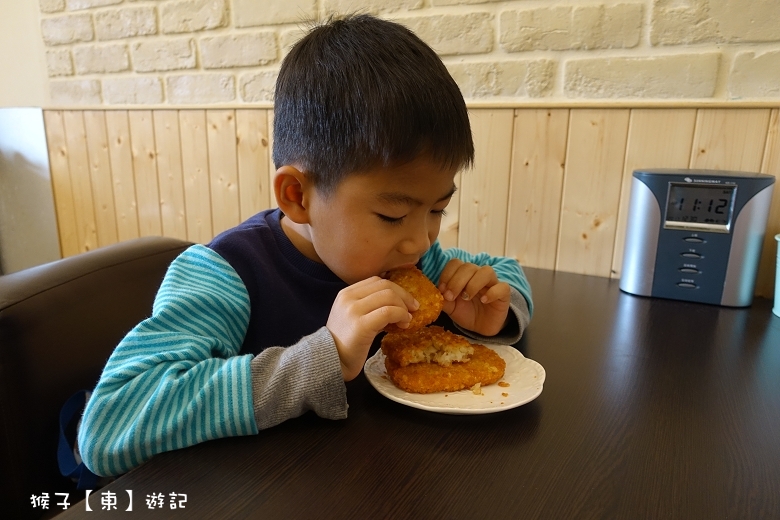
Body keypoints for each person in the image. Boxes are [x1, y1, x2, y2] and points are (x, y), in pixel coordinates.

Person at [77, 13, 533, 477]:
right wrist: (323, 357)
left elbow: (502, 269)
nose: (420, 239)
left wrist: (490, 313)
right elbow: (108, 426)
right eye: (393, 215)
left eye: (436, 210)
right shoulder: (227, 273)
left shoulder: (414, 258)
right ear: (297, 196)